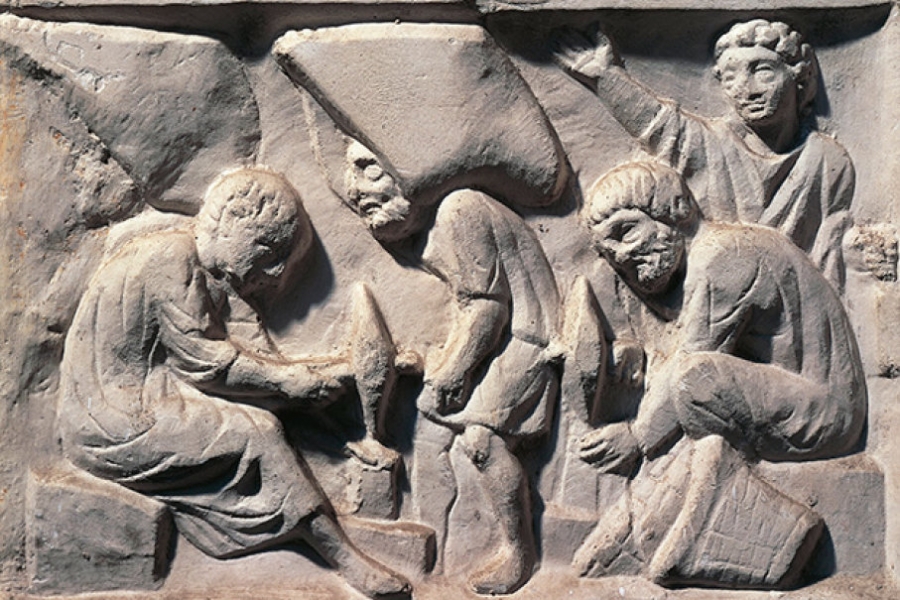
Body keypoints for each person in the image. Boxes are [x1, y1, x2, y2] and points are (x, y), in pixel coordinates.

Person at [58, 167, 411, 599]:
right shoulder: (172, 257)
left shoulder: (213, 275)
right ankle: (342, 556)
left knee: (260, 420)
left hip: (150, 397)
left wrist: (339, 386)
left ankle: (321, 535)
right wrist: (291, 383)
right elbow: (205, 364)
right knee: (255, 432)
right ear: (231, 224)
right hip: (111, 415)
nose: (276, 272)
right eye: (268, 250)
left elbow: (262, 366)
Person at [573, 161, 866, 587]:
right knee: (690, 381)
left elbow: (691, 363)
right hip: (788, 399)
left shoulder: (725, 256)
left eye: (626, 231)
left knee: (696, 379)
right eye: (608, 252)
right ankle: (649, 519)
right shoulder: (700, 264)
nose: (620, 255)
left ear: (671, 212)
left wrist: (637, 436)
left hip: (823, 412)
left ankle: (725, 528)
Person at [344, 140, 562, 595]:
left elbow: (487, 307)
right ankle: (442, 549)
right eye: (351, 175)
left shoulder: (459, 209)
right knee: (429, 427)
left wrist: (455, 369)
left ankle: (519, 554)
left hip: (526, 336)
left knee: (482, 440)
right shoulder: (427, 230)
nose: (354, 188)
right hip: (503, 337)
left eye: (368, 169)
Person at [554, 19, 854, 289]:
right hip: (717, 291)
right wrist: (606, 78)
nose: (747, 90)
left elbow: (829, 253)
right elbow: (659, 125)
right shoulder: (712, 143)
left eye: (763, 71)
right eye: (730, 78)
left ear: (799, 76)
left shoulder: (827, 160)